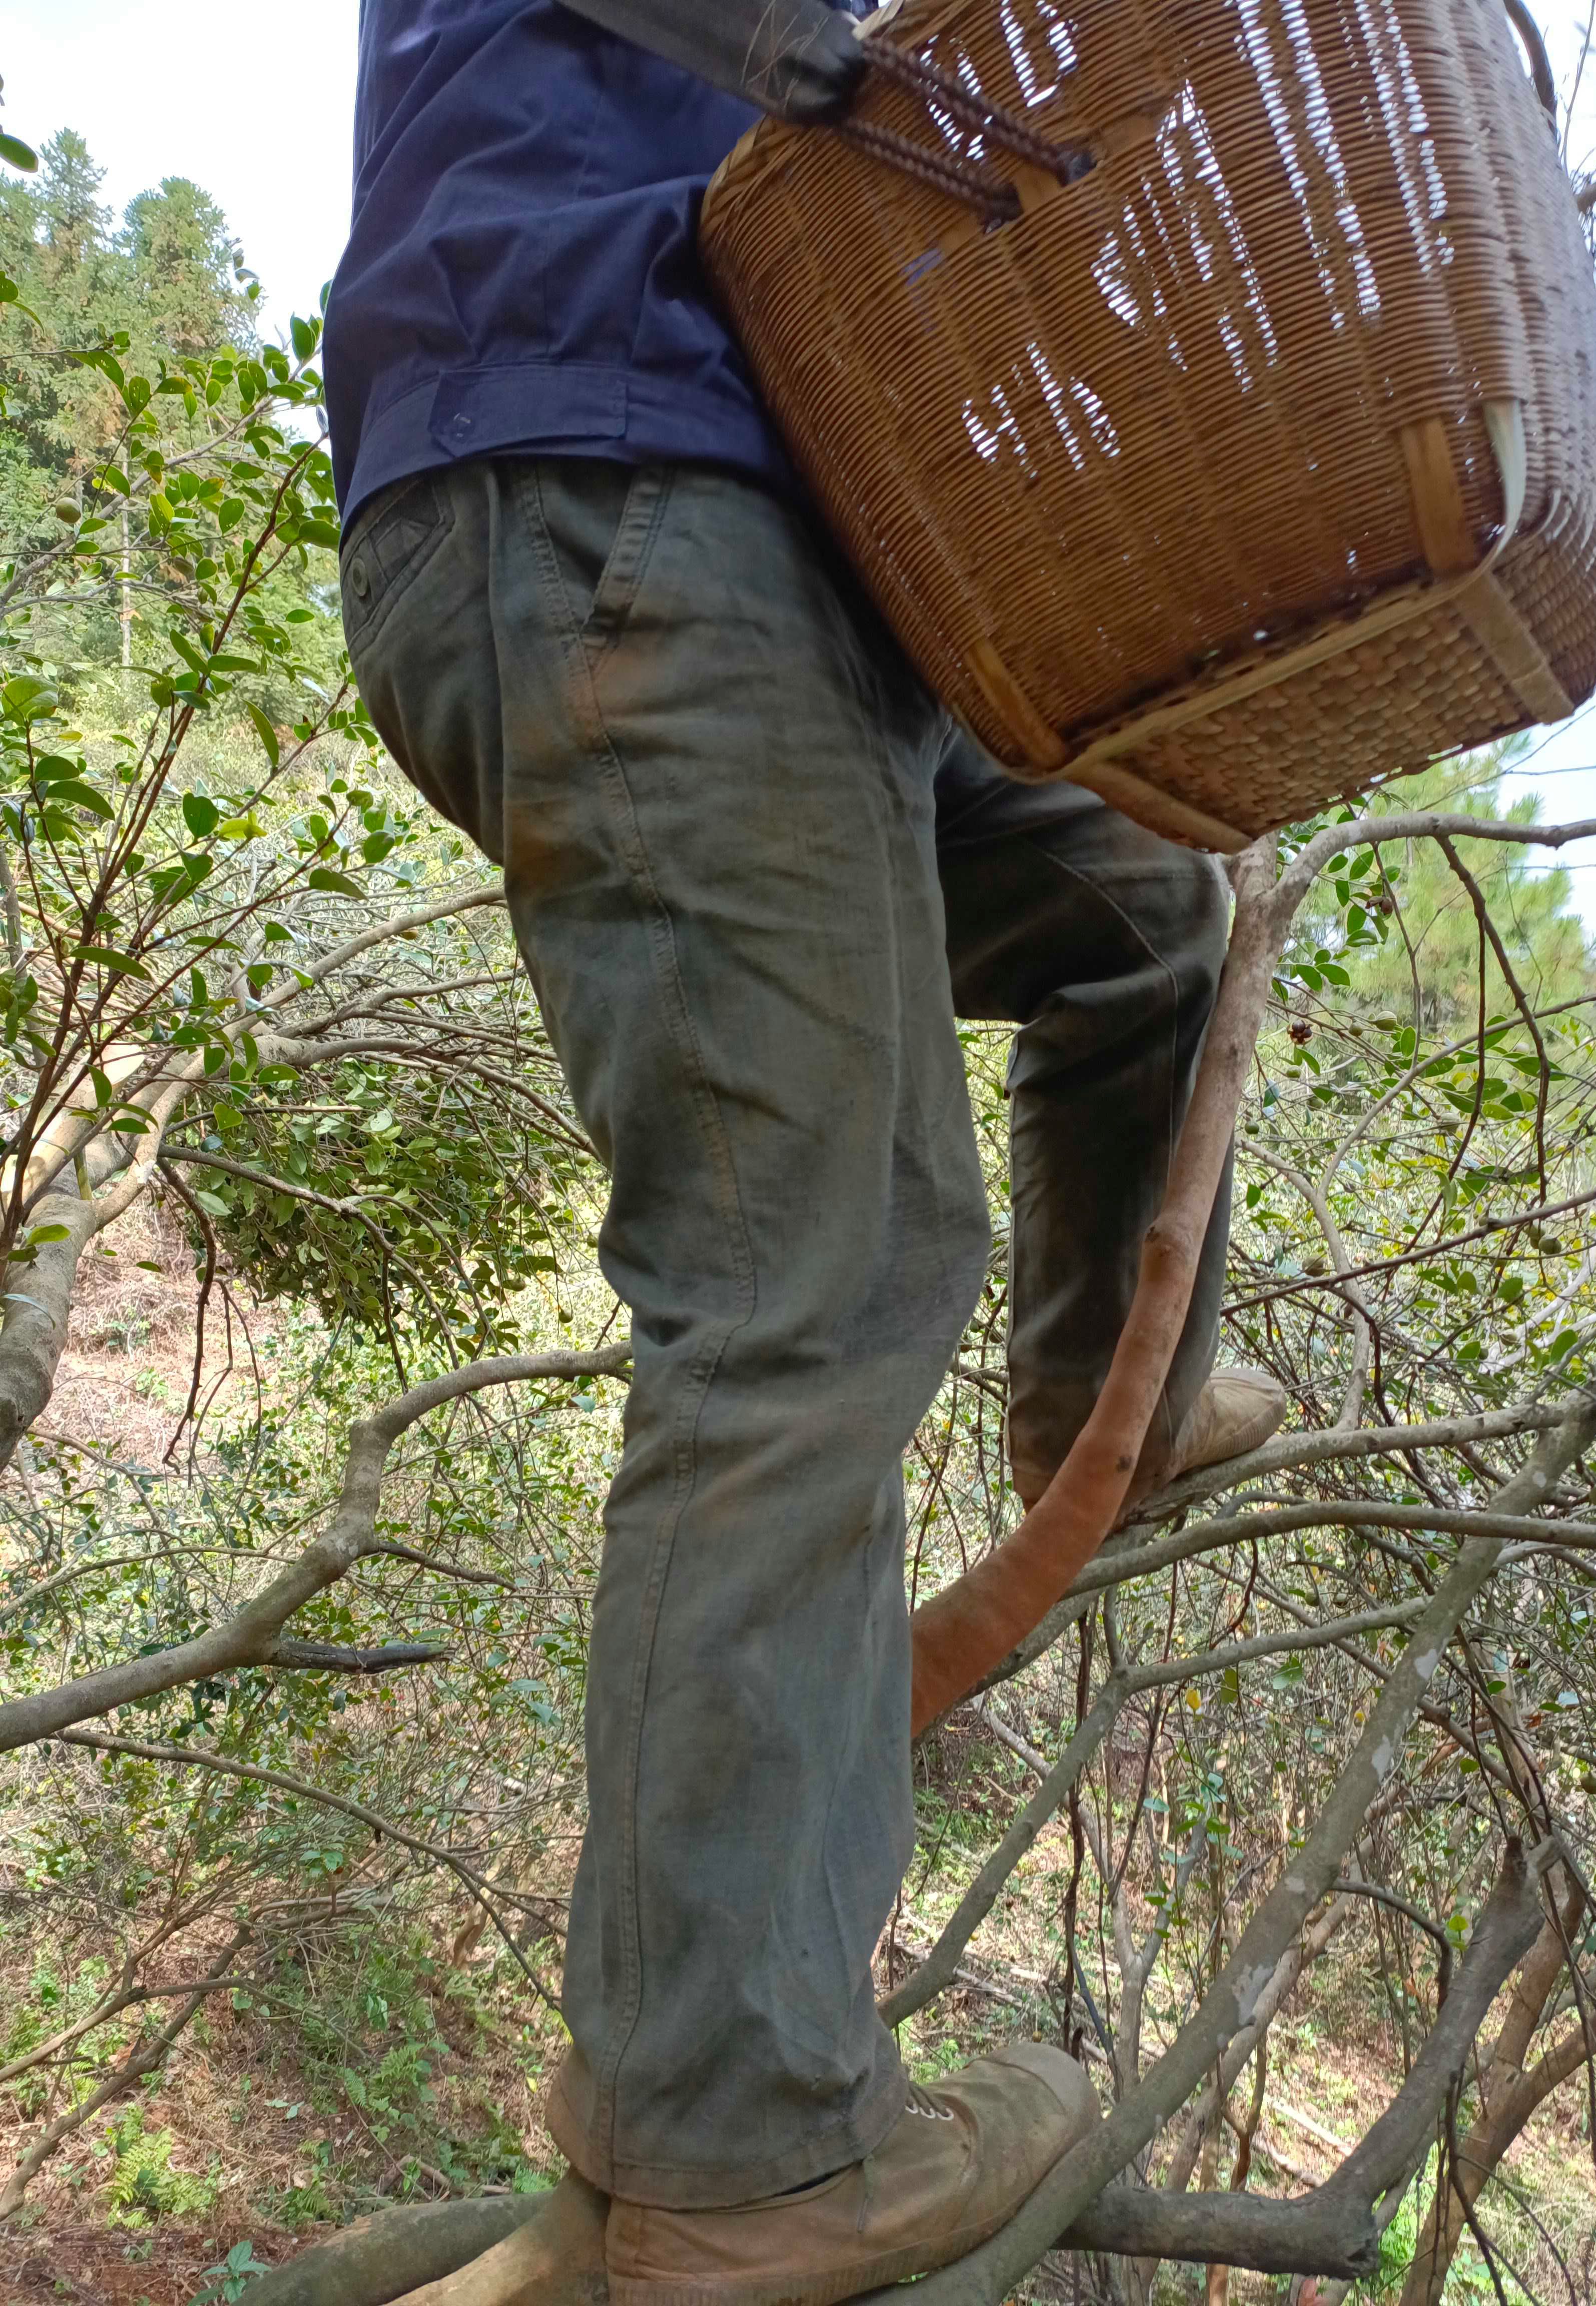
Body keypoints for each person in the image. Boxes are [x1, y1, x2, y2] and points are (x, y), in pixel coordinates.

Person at [323, 5, 1287, 2299]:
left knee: (1155, 900)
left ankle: (1102, 1402)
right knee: (810, 1289)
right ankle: (735, 2140)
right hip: (622, 502)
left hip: (793, 560)